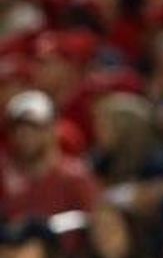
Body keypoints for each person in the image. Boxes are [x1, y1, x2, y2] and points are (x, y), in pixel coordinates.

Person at [0, 89, 101, 220]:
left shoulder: (75, 177)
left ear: (53, 128)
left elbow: (98, 225)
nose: (24, 136)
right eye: (17, 129)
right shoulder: (5, 177)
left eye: (35, 128)